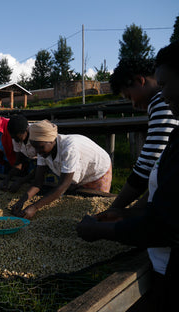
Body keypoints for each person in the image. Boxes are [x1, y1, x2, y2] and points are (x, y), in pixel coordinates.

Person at [77, 41, 179, 310]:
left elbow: (145, 170)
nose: (130, 103)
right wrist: (129, 213)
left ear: (139, 81)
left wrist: (108, 219)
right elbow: (162, 182)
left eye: (126, 95)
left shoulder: (160, 103)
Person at [101, 58, 178, 214]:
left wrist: (115, 211)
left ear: (139, 81)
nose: (134, 105)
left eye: (129, 97)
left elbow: (147, 166)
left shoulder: (161, 101)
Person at [11, 120, 112, 219]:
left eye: (40, 147)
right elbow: (38, 182)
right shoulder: (42, 149)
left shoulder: (69, 148)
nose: (37, 152)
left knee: (96, 209)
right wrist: (22, 201)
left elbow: (62, 186)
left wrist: (34, 207)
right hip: (76, 174)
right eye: (35, 147)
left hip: (96, 172)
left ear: (51, 141)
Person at [0, 114, 37, 192]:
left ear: (26, 130)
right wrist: (7, 179)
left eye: (17, 137)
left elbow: (42, 167)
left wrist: (21, 181)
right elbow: (18, 163)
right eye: (13, 138)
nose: (15, 140)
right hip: (33, 165)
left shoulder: (36, 137)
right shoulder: (16, 139)